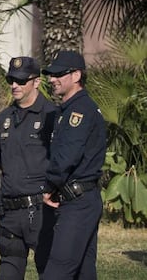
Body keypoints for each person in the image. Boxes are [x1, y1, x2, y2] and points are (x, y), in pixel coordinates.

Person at [41, 50, 106, 279]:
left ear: (76, 75)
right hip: (80, 200)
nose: (51, 79)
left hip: (79, 203)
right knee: (83, 272)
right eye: (50, 74)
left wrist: (48, 187)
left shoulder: (79, 111)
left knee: (57, 272)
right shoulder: (68, 110)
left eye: (59, 74)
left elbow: (66, 156)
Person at [0, 56, 56, 280]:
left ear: (36, 82)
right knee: (8, 273)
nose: (14, 85)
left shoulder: (51, 115)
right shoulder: (5, 118)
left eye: (21, 81)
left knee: (50, 271)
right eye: (11, 80)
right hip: (9, 213)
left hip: (39, 211)